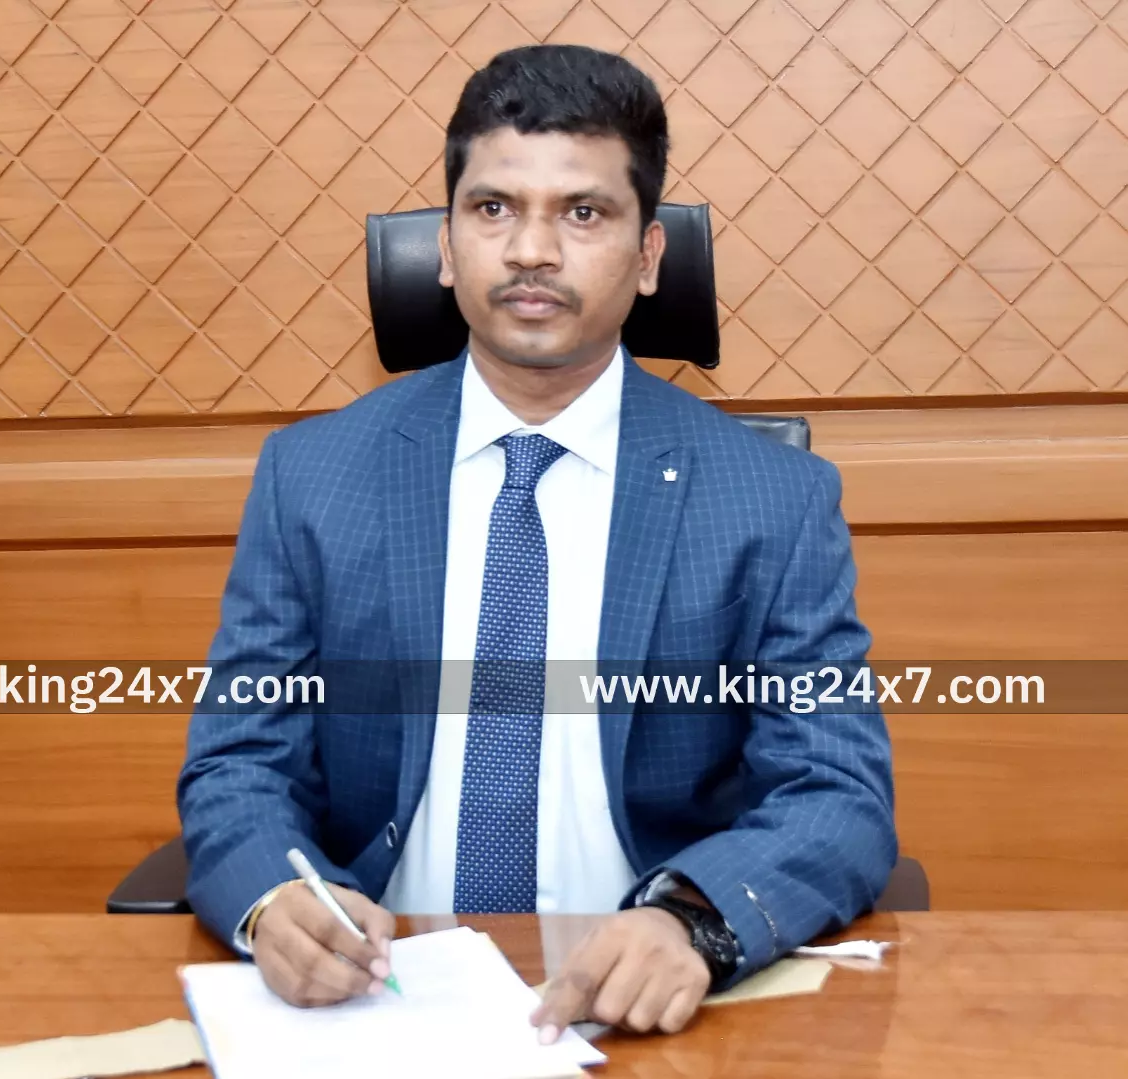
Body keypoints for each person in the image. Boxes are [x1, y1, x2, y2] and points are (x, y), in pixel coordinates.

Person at [177, 43, 896, 1041]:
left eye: (584, 213)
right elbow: (238, 760)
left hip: (645, 1005)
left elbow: (836, 791)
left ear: (650, 257)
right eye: (493, 208)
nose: (530, 250)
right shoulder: (313, 474)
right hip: (379, 998)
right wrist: (273, 897)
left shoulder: (772, 498)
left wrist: (692, 918)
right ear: (444, 246)